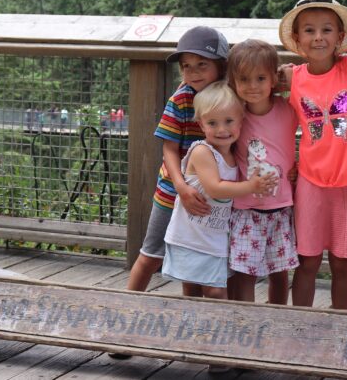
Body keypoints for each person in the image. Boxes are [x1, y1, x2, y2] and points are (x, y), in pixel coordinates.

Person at [278, 0, 347, 310]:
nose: (318, 37)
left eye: (327, 29)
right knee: (306, 260)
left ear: (340, 36)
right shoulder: (291, 77)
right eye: (309, 30)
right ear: (297, 38)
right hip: (309, 182)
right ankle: (301, 324)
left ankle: (340, 325)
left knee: (343, 262)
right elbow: (249, 79)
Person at [123, 26, 230, 297]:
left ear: (221, 65)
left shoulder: (229, 98)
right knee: (151, 253)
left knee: (195, 260)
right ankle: (124, 304)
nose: (193, 72)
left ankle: (191, 317)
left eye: (202, 65)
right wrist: (181, 187)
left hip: (210, 197)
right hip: (173, 193)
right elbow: (169, 150)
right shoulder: (182, 99)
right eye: (186, 66)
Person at [162, 82, 278, 298]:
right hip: (191, 237)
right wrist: (251, 186)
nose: (222, 129)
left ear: (241, 121)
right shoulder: (202, 151)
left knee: (214, 290)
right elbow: (215, 189)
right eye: (212, 123)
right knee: (195, 289)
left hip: (215, 238)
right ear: (201, 124)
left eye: (229, 121)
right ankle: (193, 328)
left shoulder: (235, 154)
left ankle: (213, 329)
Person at [225, 39, 299, 305]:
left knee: (280, 271)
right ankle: (245, 322)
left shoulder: (289, 109)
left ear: (273, 79)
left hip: (282, 207)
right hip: (246, 209)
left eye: (260, 78)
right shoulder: (234, 114)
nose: (252, 86)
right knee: (245, 273)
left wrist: (299, 166)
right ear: (233, 80)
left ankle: (275, 318)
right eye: (244, 79)